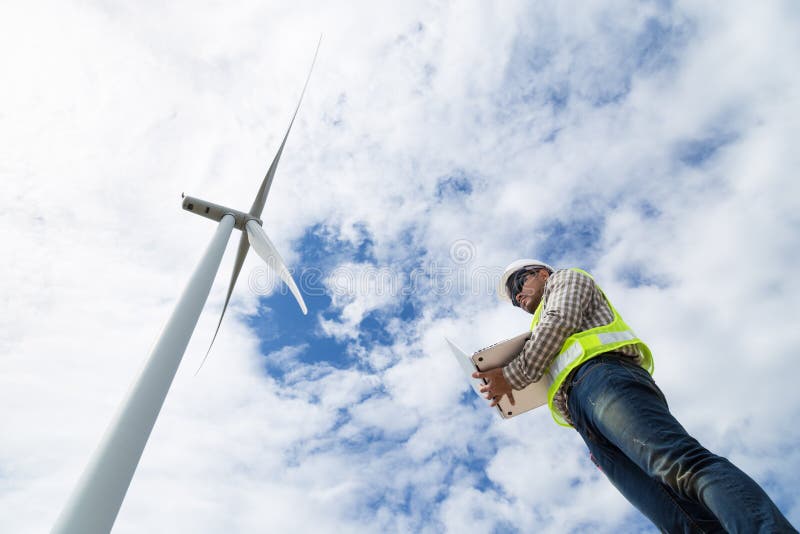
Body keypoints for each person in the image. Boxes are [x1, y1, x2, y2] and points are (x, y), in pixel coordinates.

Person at [473, 260, 796, 533]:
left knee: (680, 466)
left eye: (520, 282)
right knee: (677, 519)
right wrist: (599, 437)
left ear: (542, 273)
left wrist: (511, 376)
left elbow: (560, 321)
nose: (518, 295)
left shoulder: (567, 280)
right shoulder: (538, 333)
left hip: (604, 378)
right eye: (515, 299)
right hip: (590, 416)